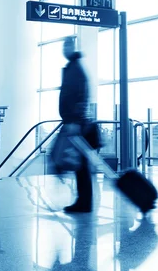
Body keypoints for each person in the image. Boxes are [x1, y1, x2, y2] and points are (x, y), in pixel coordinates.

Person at [59, 35, 93, 213]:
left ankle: (84, 202)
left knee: (81, 164)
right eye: (63, 46)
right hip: (73, 121)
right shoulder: (72, 67)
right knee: (79, 163)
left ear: (73, 47)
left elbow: (82, 95)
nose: (64, 49)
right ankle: (83, 201)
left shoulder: (76, 68)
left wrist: (75, 120)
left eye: (67, 45)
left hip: (75, 123)